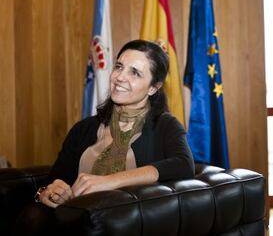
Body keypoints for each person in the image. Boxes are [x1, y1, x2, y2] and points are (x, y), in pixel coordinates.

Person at [12, 39, 194, 235]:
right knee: (33, 216)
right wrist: (52, 191)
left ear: (153, 88)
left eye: (135, 73)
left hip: (129, 225)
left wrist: (109, 181)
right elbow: (57, 178)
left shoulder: (165, 125)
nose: (120, 77)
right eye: (119, 67)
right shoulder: (84, 128)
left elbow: (184, 165)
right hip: (75, 221)